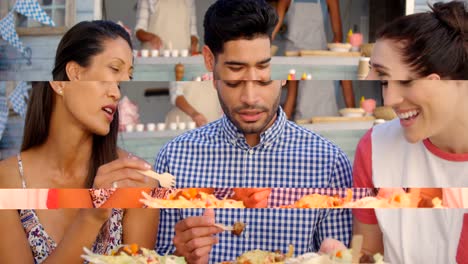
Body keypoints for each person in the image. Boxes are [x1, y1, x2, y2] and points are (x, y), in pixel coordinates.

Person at [153, 1, 359, 263]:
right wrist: (177, 256)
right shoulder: (175, 160)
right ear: (209, 61)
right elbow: (154, 255)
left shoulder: (328, 164)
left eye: (264, 76)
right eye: (235, 78)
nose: (250, 98)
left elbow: (341, 256)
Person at [0, 21, 159, 263]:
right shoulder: (8, 180)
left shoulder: (136, 180)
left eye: (122, 81)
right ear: (71, 75)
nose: (117, 93)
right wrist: (91, 217)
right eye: (113, 70)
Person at [352, 1, 468, 263]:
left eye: (404, 82)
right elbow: (368, 254)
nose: (389, 99)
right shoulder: (375, 150)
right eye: (384, 82)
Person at [272, 0, 355, 120]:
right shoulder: (286, 0)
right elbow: (273, 30)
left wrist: (334, 56)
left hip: (320, 54)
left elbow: (338, 35)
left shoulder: (335, 67)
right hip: (295, 56)